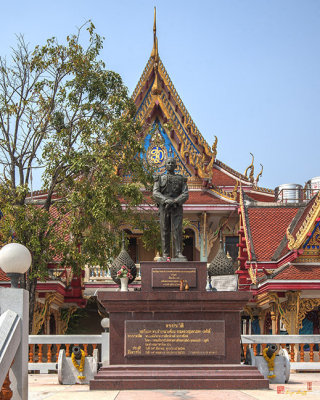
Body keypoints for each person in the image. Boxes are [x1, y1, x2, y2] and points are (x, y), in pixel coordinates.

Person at [153, 157, 189, 260]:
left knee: (177, 230)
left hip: (176, 207)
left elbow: (185, 194)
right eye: (168, 163)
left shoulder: (181, 179)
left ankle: (178, 252)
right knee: (165, 230)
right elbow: (155, 192)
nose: (170, 164)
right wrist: (165, 200)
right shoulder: (160, 178)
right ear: (165, 165)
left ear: (175, 166)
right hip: (164, 207)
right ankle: (165, 254)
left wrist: (175, 201)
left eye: (172, 163)